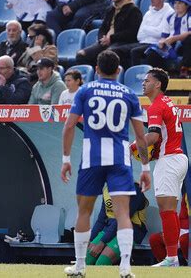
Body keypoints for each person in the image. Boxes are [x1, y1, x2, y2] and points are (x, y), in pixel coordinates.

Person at [61, 50, 151, 278]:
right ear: (119, 70)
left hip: (92, 157)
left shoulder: (85, 91)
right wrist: (146, 169)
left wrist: (65, 160)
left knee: (84, 211)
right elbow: (141, 137)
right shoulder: (129, 94)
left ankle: (80, 266)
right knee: (122, 213)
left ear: (97, 70)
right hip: (120, 158)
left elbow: (69, 126)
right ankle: (125, 268)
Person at [137, 68, 189, 267]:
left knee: (166, 211)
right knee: (170, 211)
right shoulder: (168, 103)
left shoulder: (156, 106)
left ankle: (171, 259)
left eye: (147, 80)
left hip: (169, 160)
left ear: (158, 84)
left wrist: (132, 146)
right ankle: (172, 258)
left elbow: (152, 137)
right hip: (177, 158)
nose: (143, 83)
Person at [76, 0, 142, 67]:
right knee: (81, 55)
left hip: (122, 43)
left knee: (107, 55)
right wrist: (102, 39)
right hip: (106, 42)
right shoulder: (110, 9)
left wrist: (111, 38)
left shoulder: (133, 10)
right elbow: (102, 28)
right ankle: (96, 74)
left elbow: (132, 33)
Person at [86, 182, 148, 266]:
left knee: (102, 262)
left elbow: (122, 219)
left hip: (130, 230)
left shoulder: (134, 189)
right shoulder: (106, 189)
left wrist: (102, 243)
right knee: (87, 259)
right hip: (110, 229)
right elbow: (101, 220)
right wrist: (90, 240)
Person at [112, 0, 174, 68]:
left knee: (135, 51)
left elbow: (161, 33)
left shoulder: (169, 12)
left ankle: (136, 75)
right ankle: (125, 74)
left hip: (156, 44)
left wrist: (146, 29)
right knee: (117, 50)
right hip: (143, 42)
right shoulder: (148, 13)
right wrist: (152, 30)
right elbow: (139, 35)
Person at [145, 0, 191, 78]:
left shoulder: (189, 16)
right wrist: (162, 42)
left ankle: (184, 69)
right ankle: (160, 76)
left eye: (180, 3)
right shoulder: (170, 17)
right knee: (152, 53)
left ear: (187, 5)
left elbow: (190, 32)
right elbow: (164, 36)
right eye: (175, 3)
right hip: (171, 44)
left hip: (184, 44)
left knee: (189, 39)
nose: (176, 5)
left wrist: (174, 38)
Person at [149, 193, 189, 263]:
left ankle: (188, 265)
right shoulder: (187, 193)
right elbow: (182, 218)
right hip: (184, 228)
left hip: (187, 232)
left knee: (184, 239)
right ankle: (167, 267)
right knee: (155, 239)